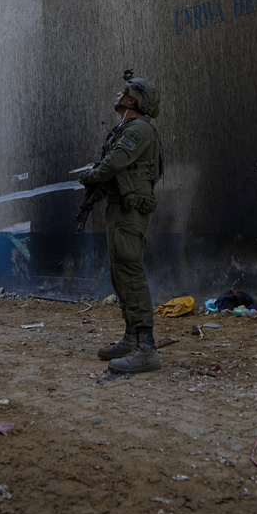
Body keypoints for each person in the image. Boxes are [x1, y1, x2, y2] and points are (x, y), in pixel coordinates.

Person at [81, 73, 163, 374]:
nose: (118, 94)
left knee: (130, 271)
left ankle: (146, 348)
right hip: (121, 210)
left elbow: (115, 162)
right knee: (120, 273)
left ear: (133, 100)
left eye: (124, 91)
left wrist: (91, 176)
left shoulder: (139, 128)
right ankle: (132, 338)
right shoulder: (127, 127)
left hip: (130, 211)